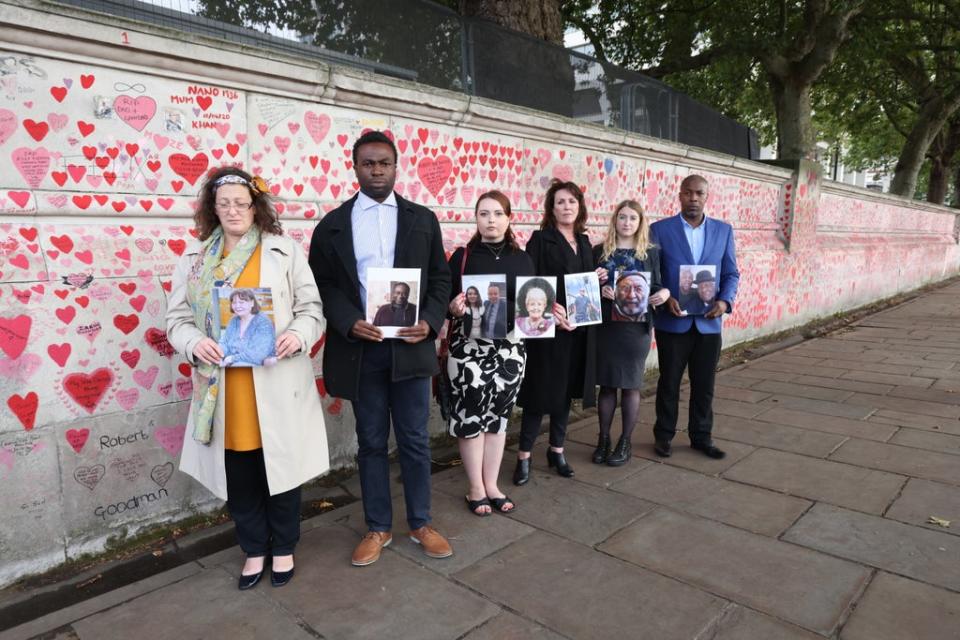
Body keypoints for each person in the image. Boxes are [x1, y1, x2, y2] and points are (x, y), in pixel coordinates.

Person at [166, 167, 328, 590]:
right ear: (212, 209)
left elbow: (312, 308)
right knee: (239, 471)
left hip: (276, 381)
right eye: (224, 203)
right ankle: (254, 549)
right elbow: (177, 319)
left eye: (241, 202)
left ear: (256, 207)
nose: (233, 210)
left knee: (279, 467)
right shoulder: (195, 260)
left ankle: (285, 546)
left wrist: (297, 334)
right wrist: (194, 343)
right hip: (224, 387)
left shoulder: (284, 251)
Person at [308, 131, 453, 566]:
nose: (376, 170)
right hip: (362, 349)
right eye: (368, 163)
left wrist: (429, 320)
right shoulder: (333, 224)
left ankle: (421, 523)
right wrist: (349, 321)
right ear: (354, 167)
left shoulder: (422, 219)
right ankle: (378, 527)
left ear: (395, 166)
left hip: (409, 347)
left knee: (414, 439)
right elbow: (323, 284)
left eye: (384, 163)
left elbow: (442, 279)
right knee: (370, 441)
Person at [446, 191, 534, 516]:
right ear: (476, 218)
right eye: (484, 213)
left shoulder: (522, 258)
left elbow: (531, 306)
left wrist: (544, 310)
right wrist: (453, 308)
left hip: (510, 351)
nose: (491, 220)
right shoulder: (462, 257)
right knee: (471, 417)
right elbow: (444, 301)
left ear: (509, 218)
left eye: (498, 213)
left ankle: (492, 484)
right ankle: (475, 489)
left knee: (497, 418)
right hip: (468, 351)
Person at [514, 180, 598, 484]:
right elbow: (529, 284)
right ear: (552, 208)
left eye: (572, 202)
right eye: (560, 202)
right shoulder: (540, 240)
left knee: (565, 395)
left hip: (578, 330)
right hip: (547, 330)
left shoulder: (585, 241)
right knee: (540, 392)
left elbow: (584, 285)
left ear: (580, 207)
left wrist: (596, 278)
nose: (566, 207)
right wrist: (550, 310)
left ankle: (556, 450)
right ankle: (523, 456)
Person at [651, 174, 739, 460]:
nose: (693, 198)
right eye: (688, 193)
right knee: (669, 383)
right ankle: (664, 436)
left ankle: (701, 436)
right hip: (672, 320)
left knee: (704, 385)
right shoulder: (659, 230)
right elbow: (654, 273)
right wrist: (666, 296)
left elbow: (731, 273)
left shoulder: (723, 231)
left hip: (708, 322)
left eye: (699, 193)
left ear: (706, 196)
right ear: (679, 195)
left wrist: (725, 302)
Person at [592, 200, 668, 465]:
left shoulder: (650, 253)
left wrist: (663, 294)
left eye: (632, 218)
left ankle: (625, 442)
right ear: (615, 220)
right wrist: (600, 289)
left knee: (631, 385)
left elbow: (659, 285)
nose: (626, 223)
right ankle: (603, 439)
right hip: (607, 328)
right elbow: (586, 289)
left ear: (640, 222)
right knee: (608, 385)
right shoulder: (600, 252)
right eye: (622, 217)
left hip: (637, 329)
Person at [219, 289, 278, 366]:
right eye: (234, 302)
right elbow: (224, 342)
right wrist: (218, 354)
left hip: (256, 364)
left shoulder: (263, 322)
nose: (237, 306)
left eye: (241, 302)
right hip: (231, 361)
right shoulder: (234, 320)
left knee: (238, 365)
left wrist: (231, 359)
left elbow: (258, 355)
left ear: (252, 303)